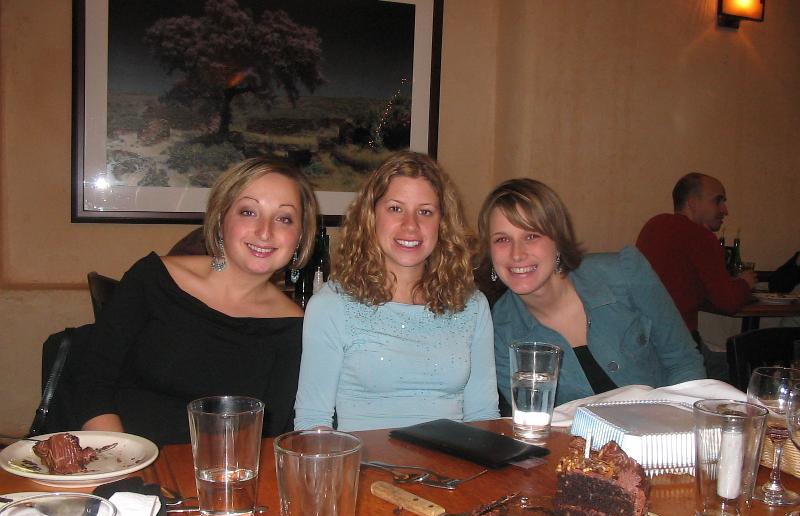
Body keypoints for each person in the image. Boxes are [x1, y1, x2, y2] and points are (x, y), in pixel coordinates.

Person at [74, 158, 319, 446]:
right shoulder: (154, 279)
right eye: (248, 212)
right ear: (221, 219)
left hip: (220, 468)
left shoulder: (295, 326)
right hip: (113, 452)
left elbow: (269, 434)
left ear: (300, 236)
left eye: (284, 218)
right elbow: (90, 384)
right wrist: (122, 460)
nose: (265, 231)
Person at [294, 151, 499, 431]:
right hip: (364, 460)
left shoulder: (471, 306)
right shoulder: (332, 305)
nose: (410, 225)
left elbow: (484, 416)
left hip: (453, 458)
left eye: (425, 212)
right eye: (395, 209)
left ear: (442, 222)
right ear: (371, 216)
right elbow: (312, 422)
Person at [478, 178, 705, 408]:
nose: (517, 254)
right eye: (502, 240)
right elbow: (532, 416)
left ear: (557, 240)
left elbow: (683, 362)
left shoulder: (625, 272)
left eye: (531, 236)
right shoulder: (499, 331)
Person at [636, 172, 756, 344]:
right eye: (718, 201)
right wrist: (745, 282)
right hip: (676, 342)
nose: (725, 210)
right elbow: (728, 302)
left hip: (641, 339)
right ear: (692, 203)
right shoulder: (700, 237)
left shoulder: (654, 225)